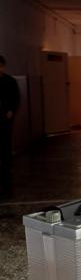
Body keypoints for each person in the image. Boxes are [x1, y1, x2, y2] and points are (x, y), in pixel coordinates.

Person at [0, 55, 19, 194]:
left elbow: (16, 98)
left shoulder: (10, 81)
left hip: (6, 117)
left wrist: (11, 110)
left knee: (6, 144)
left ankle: (7, 170)